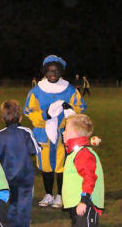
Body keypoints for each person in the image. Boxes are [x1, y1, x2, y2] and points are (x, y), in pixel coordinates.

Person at [24, 54, 86, 208]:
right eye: (49, 71)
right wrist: (45, 116)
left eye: (56, 71)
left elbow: (81, 107)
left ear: (61, 72)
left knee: (61, 166)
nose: (52, 74)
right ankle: (48, 194)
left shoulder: (70, 89)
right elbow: (29, 111)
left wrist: (69, 110)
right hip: (43, 134)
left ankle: (60, 195)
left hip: (64, 134)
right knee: (46, 166)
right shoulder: (37, 91)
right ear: (44, 71)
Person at [61, 114, 105, 227]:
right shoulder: (76, 150)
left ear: (73, 132)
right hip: (76, 204)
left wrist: (84, 200)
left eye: (65, 129)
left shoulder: (83, 153)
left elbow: (89, 177)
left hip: (84, 204)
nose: (62, 132)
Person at [0, 100, 39, 227]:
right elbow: (35, 150)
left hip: (7, 179)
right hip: (25, 178)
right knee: (24, 207)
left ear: (2, 119)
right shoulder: (26, 132)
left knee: (12, 205)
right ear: (20, 118)